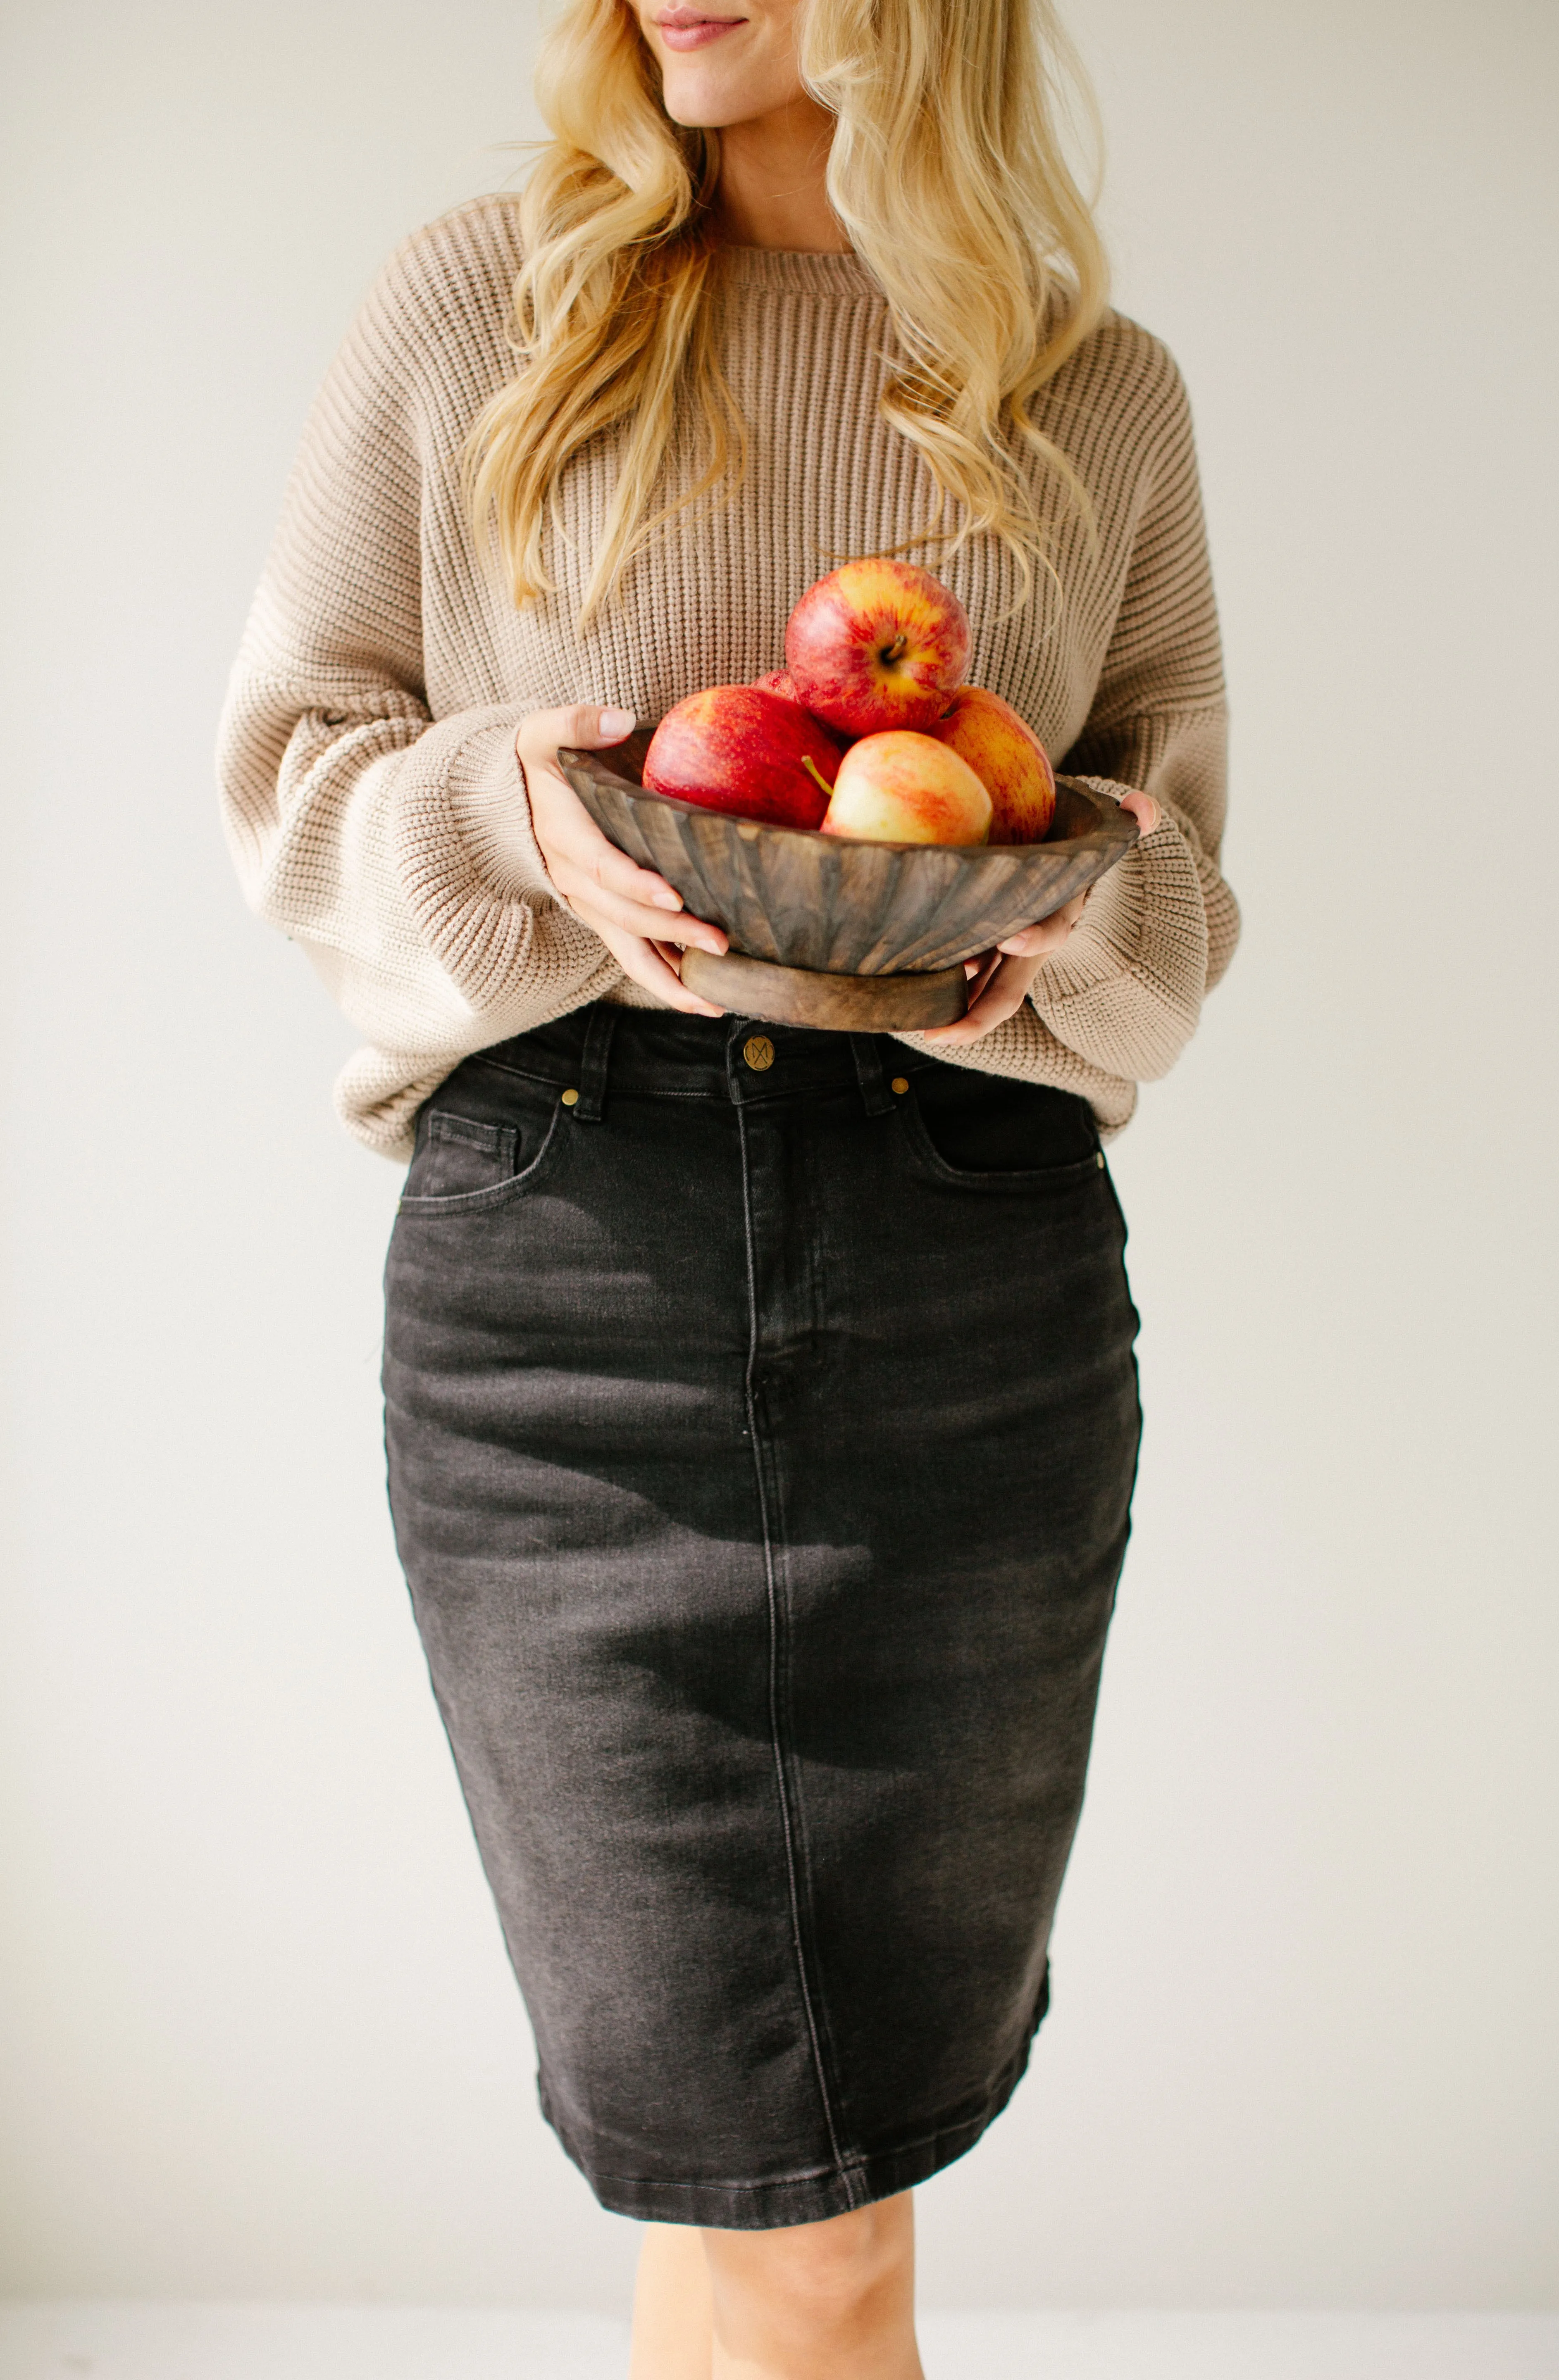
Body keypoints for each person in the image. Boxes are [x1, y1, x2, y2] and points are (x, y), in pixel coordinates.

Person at [219, 0, 1237, 2370]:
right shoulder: (487, 304)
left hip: (965, 1281)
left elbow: (1179, 884)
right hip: (568, 1271)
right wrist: (505, 811)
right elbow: (292, 771)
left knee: (813, 2197)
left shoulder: (1102, 395)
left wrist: (1076, 907)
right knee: (762, 2175)